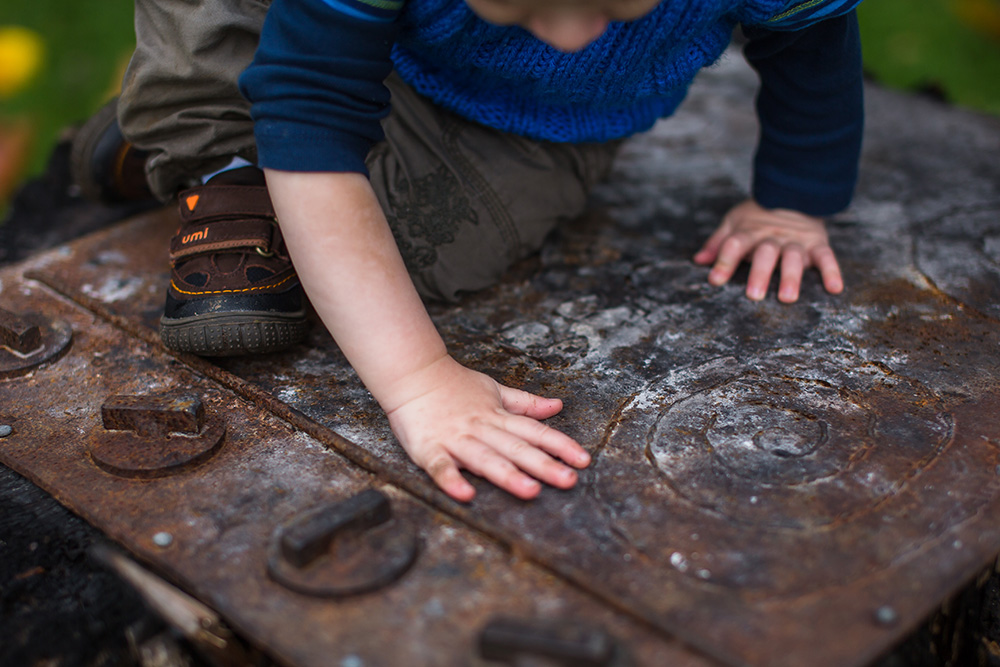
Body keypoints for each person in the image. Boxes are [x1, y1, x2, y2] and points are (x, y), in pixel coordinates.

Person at [73, 0, 865, 502]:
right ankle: (221, 149)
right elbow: (312, 101)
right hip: (311, 37)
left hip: (527, 122)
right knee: (227, 41)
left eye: (617, 8)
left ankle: (191, 149)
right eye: (525, 4)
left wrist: (795, 199)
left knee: (427, 248)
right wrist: (419, 381)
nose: (571, 32)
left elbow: (812, 32)